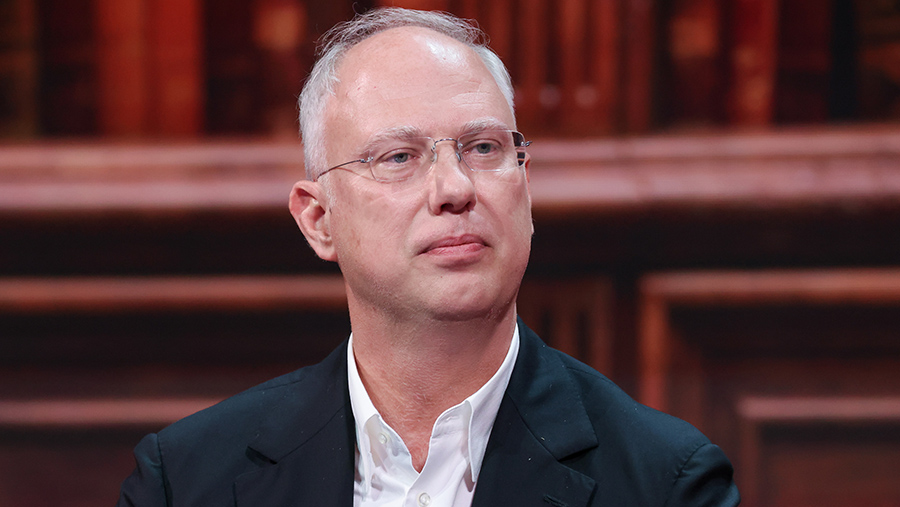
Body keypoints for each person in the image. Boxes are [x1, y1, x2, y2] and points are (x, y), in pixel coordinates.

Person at [116, 7, 739, 507]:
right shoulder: (187, 481)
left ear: (525, 189)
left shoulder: (667, 483)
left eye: (484, 148)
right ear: (319, 219)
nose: (455, 189)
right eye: (399, 157)